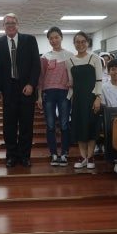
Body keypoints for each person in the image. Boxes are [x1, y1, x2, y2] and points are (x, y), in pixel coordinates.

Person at [0, 13, 41, 168]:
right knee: (9, 126)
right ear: (3, 26)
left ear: (18, 25)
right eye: (7, 23)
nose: (10, 25)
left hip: (26, 88)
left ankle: (25, 156)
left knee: (27, 125)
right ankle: (11, 156)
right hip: (8, 90)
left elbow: (36, 65)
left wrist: (31, 84)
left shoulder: (30, 40)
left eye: (13, 23)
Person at [37, 27, 73, 167]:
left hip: (64, 92)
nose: (54, 40)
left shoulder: (70, 55)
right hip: (48, 93)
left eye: (56, 37)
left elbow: (73, 76)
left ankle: (64, 153)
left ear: (61, 37)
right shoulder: (45, 57)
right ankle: (53, 153)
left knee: (64, 124)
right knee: (50, 125)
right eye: (51, 38)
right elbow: (41, 78)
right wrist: (39, 96)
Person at [66, 31, 103, 169]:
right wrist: (71, 97)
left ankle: (91, 156)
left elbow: (99, 80)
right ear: (74, 44)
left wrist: (98, 98)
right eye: (77, 42)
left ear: (88, 43)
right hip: (77, 99)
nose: (80, 44)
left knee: (91, 126)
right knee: (79, 126)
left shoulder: (95, 58)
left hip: (92, 98)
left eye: (83, 41)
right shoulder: (69, 61)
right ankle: (82, 157)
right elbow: (70, 82)